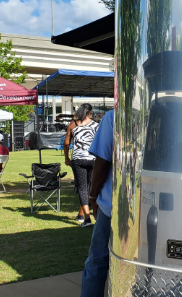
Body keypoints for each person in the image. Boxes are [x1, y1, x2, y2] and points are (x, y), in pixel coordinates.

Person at [81, 109, 113, 297]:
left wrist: (93, 197)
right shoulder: (168, 111)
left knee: (97, 262)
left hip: (113, 204)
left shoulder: (114, 116)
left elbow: (102, 161)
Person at [64, 103, 99, 227]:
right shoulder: (96, 125)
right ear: (90, 112)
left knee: (82, 188)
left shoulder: (73, 124)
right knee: (90, 187)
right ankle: (89, 215)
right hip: (93, 158)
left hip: (78, 159)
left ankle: (87, 219)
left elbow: (67, 143)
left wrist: (66, 157)